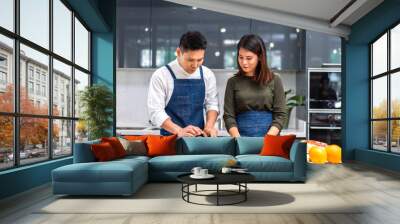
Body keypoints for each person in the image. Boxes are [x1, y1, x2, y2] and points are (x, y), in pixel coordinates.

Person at [147, 31, 219, 137]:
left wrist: (209, 127)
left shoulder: (207, 74)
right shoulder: (161, 75)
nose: (195, 65)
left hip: (199, 140)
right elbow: (155, 112)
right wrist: (179, 131)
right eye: (190, 60)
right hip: (170, 141)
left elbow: (212, 104)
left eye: (200, 60)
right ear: (178, 52)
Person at [223, 34, 287, 137]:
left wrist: (268, 139)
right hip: (240, 139)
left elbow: (280, 115)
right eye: (241, 57)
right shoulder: (232, 82)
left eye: (249, 58)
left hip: (270, 138)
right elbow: (228, 116)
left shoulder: (275, 80)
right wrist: (238, 140)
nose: (244, 62)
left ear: (260, 57)